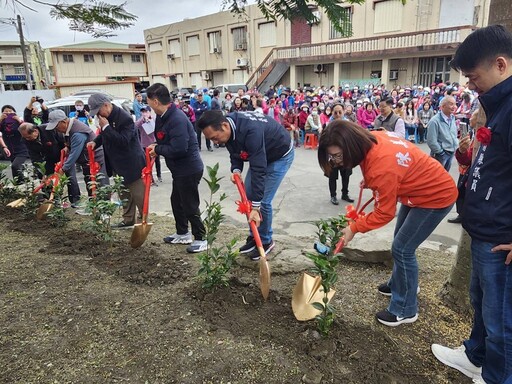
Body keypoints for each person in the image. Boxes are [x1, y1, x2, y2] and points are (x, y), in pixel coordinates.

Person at [430, 24, 512, 384]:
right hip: (484, 228)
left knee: (501, 321)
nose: (469, 85)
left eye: (473, 77)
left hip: (502, 236)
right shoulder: (496, 105)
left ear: (500, 64)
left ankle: (498, 377)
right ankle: (475, 357)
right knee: (481, 305)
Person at [319, 120, 457, 326]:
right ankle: (399, 284)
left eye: (338, 155)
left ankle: (406, 309)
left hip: (435, 196)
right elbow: (392, 167)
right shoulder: (373, 136)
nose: (335, 161)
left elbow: (384, 213)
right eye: (332, 156)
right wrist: (374, 182)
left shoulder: (381, 167)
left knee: (402, 249)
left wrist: (354, 228)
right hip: (415, 189)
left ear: (351, 145)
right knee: (400, 241)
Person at [197, 110, 294, 261]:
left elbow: (258, 169)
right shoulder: (229, 128)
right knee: (249, 196)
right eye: (211, 140)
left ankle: (266, 241)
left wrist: (256, 207)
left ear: (224, 126)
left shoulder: (251, 131)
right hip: (262, 154)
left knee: (262, 201)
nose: (215, 142)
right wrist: (236, 169)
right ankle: (254, 236)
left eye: (215, 138)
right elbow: (234, 151)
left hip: (279, 154)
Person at [145, 83, 207, 253]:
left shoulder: (177, 118)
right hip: (178, 170)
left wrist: (158, 149)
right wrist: (157, 145)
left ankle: (201, 237)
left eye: (148, 101)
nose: (147, 104)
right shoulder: (162, 116)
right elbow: (164, 139)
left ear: (156, 101)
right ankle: (183, 233)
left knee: (189, 204)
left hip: (188, 168)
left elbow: (179, 148)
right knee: (177, 201)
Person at [86, 93, 146, 228]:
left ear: (106, 105)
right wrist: (96, 142)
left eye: (98, 111)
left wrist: (106, 127)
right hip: (117, 163)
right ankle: (128, 219)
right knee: (124, 193)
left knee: (139, 195)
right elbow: (104, 135)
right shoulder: (105, 118)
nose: (97, 115)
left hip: (131, 163)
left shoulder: (125, 119)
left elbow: (123, 141)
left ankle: (144, 220)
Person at [46, 109, 109, 200]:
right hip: (86, 160)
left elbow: (75, 153)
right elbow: (72, 146)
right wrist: (67, 147)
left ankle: (105, 209)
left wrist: (63, 169)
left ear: (63, 122)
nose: (56, 130)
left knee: (100, 183)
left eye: (56, 127)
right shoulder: (68, 128)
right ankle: (93, 205)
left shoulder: (77, 132)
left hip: (96, 160)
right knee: (89, 183)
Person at [18, 122, 81, 205]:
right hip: (48, 158)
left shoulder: (49, 129)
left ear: (35, 131)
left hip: (64, 155)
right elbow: (34, 157)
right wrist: (42, 172)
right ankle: (52, 201)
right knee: (47, 179)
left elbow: (64, 138)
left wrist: (67, 147)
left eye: (29, 137)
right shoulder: (26, 140)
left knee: (70, 178)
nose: (27, 139)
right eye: (25, 138)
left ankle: (75, 201)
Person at [328, 103, 354, 205]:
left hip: (346, 154)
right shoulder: (329, 124)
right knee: (332, 176)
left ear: (343, 112)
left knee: (346, 175)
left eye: (340, 112)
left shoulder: (348, 123)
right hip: (332, 154)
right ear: (332, 113)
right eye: (335, 112)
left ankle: (345, 194)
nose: (338, 114)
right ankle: (333, 196)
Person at [426, 96, 458, 172]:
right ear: (443, 106)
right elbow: (431, 141)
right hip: (441, 154)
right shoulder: (434, 121)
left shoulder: (452, 118)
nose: (454, 107)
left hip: (451, 152)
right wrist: (440, 152)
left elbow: (454, 134)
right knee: (436, 177)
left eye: (455, 104)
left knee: (445, 176)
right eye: (451, 104)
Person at [0, 105, 29, 182]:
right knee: (17, 168)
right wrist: (0, 119)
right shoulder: (3, 123)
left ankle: (21, 183)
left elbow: (27, 129)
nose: (8, 113)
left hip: (21, 149)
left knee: (15, 166)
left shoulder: (19, 121)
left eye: (10, 111)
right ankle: (19, 185)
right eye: (6, 111)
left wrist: (19, 120)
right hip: (10, 150)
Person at [135, 107, 161, 184]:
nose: (144, 113)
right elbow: (136, 125)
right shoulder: (141, 121)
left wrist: (150, 119)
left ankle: (159, 175)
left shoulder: (153, 119)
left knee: (157, 161)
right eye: (143, 112)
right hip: (145, 144)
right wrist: (143, 119)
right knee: (148, 163)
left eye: (146, 111)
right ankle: (151, 178)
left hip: (154, 142)